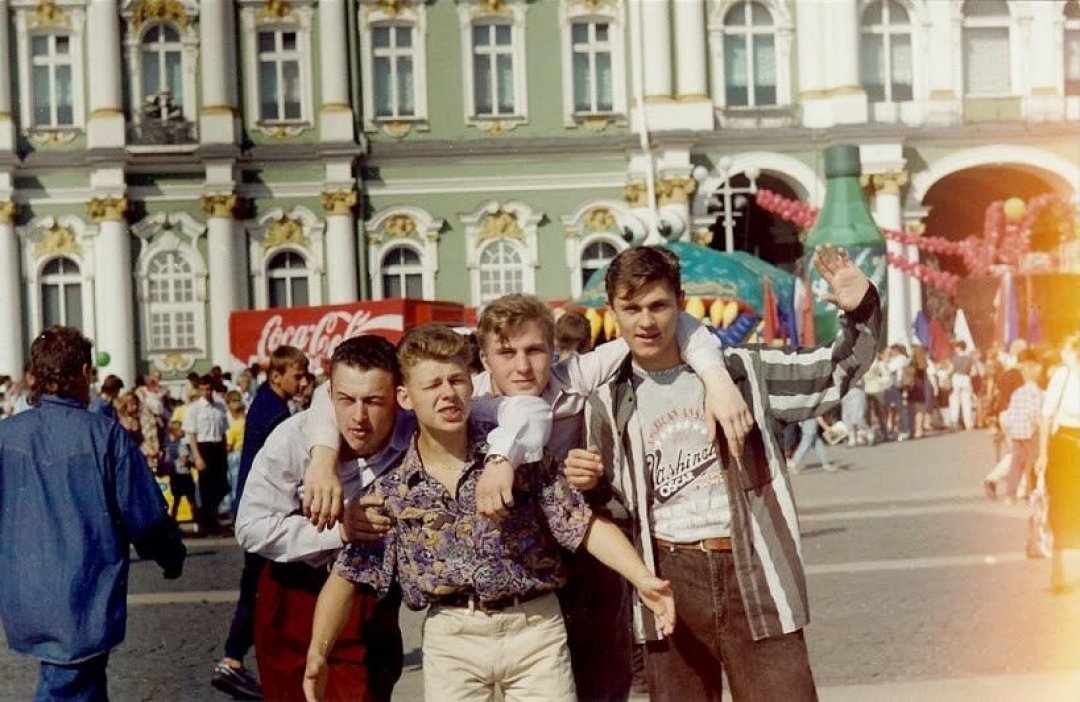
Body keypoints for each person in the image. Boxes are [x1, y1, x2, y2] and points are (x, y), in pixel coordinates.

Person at [301, 294, 752, 701]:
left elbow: (582, 524)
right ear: (406, 396)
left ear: (469, 380)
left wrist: (643, 580)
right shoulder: (394, 485)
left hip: (534, 626)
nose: (447, 394)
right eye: (432, 385)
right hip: (453, 634)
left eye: (455, 381)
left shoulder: (519, 454)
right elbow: (348, 573)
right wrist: (317, 653)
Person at [585, 245, 881, 701]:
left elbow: (832, 372)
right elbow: (604, 508)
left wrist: (861, 308)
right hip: (668, 580)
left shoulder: (744, 373)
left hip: (753, 569)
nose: (646, 321)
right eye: (632, 308)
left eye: (659, 305)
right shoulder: (606, 402)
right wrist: (580, 479)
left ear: (680, 303)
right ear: (613, 312)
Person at [237, 335, 550, 701]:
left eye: (373, 401)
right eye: (346, 400)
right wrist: (338, 528)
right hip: (294, 590)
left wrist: (501, 459)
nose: (358, 417)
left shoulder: (415, 425)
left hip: (367, 596)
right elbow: (250, 528)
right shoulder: (292, 439)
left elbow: (523, 409)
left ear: (400, 397)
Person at [0, 326, 186, 701]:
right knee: (69, 687)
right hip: (84, 593)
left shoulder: (7, 435)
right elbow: (145, 516)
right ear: (85, 372)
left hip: (25, 592)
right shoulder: (106, 436)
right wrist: (171, 555)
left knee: (76, 683)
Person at [212, 345, 308, 700]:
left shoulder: (268, 404)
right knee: (260, 590)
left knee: (260, 588)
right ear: (276, 375)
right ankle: (233, 659)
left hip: (257, 509)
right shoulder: (275, 413)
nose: (302, 382)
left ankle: (238, 657)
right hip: (267, 512)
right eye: (296, 375)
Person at [1035, 333, 1080, 594]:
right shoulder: (1062, 377)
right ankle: (1059, 573)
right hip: (1064, 445)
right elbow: (1046, 417)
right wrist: (1043, 455)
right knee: (1062, 508)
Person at [988, 356, 1044, 503]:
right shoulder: (1038, 393)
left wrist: (1009, 429)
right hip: (1031, 432)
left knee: (1015, 463)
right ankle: (1031, 492)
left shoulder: (1018, 392)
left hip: (1016, 432)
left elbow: (1011, 411)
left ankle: (1010, 495)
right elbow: (1035, 414)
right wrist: (1039, 426)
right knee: (1032, 463)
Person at [184, 374, 230, 536]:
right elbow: (191, 435)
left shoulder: (220, 406)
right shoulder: (194, 409)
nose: (205, 392)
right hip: (203, 448)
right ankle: (208, 523)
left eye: (208, 389)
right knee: (206, 489)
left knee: (222, 486)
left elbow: (224, 431)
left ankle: (213, 518)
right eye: (202, 389)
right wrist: (197, 457)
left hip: (217, 447)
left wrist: (224, 450)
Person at [162, 419, 199, 524]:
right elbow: (184, 459)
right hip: (184, 475)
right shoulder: (182, 444)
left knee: (176, 500)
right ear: (174, 432)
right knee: (191, 500)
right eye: (180, 430)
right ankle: (197, 521)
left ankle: (173, 521)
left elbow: (167, 460)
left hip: (174, 475)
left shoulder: (169, 446)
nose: (182, 432)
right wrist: (192, 463)